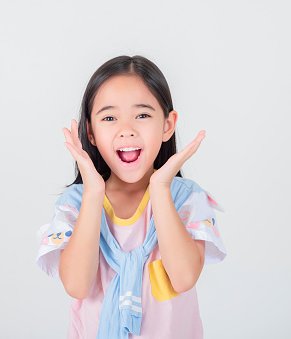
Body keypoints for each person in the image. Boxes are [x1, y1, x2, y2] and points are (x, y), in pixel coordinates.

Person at [36, 55, 227, 339]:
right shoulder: (76, 204)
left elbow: (184, 278)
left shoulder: (186, 199)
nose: (127, 129)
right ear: (90, 130)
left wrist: (160, 188)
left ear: (167, 125)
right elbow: (77, 285)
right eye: (110, 118)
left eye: (142, 115)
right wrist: (92, 193)